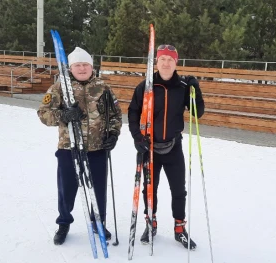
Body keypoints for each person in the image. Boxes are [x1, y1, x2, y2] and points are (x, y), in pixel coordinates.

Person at [37, 47, 123, 245]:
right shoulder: (60, 87)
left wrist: (113, 134)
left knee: (98, 190)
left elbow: (115, 115)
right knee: (67, 189)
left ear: (92, 67)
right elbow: (43, 114)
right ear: (71, 67)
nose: (82, 68)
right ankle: (64, 223)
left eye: (86, 64)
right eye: (78, 65)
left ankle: (98, 222)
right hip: (69, 148)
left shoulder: (103, 87)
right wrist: (64, 115)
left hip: (97, 149)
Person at [127, 44, 205, 250]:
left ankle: (180, 228)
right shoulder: (145, 86)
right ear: (157, 62)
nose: (166, 63)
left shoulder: (183, 86)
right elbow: (133, 113)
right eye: (163, 59)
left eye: (170, 59)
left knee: (179, 190)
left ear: (176, 62)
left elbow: (198, 113)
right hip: (150, 147)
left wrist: (195, 89)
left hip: (173, 147)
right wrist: (137, 137)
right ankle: (150, 224)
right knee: (150, 189)